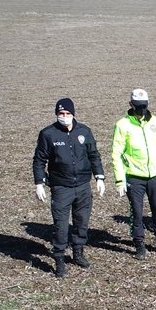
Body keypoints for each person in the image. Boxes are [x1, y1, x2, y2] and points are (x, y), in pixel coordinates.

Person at [32, 98, 106, 278]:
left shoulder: (84, 132)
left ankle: (78, 253)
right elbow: (39, 160)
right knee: (61, 226)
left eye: (67, 113)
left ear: (73, 114)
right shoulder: (48, 134)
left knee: (82, 222)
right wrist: (39, 182)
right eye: (61, 114)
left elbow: (94, 155)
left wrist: (99, 177)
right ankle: (59, 260)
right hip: (61, 188)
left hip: (83, 186)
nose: (64, 117)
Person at [112, 88, 156, 259]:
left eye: (144, 105)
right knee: (136, 211)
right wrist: (120, 180)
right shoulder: (122, 125)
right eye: (138, 106)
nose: (141, 109)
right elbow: (116, 154)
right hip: (134, 177)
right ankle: (139, 243)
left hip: (155, 175)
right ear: (131, 104)